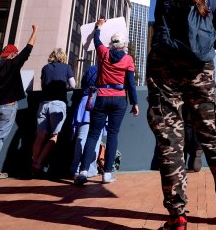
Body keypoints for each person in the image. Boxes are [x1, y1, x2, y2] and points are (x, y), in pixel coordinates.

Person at [118, 0, 216, 229]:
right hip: (201, 71)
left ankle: (177, 217)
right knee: (213, 137)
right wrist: (207, 52)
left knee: (169, 142)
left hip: (165, 71)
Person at [74, 18, 139, 185]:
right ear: (123, 45)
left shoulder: (104, 52)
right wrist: (135, 103)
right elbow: (131, 84)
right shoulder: (128, 60)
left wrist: (98, 27)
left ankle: (83, 172)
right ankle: (107, 174)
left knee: (93, 134)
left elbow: (96, 40)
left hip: (101, 96)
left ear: (111, 43)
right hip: (119, 99)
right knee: (112, 135)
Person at [0, 24, 38, 181]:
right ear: (12, 54)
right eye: (15, 53)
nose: (17, 55)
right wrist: (35, 31)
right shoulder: (12, 64)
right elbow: (28, 49)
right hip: (7, 107)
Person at [32, 48, 75, 176]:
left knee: (40, 134)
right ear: (63, 57)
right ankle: (39, 163)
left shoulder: (45, 68)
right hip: (58, 104)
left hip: (44, 103)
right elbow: (73, 85)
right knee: (54, 136)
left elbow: (42, 85)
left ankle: (34, 162)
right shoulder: (66, 67)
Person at [70, 64, 102, 179]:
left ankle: (77, 169)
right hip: (100, 101)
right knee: (96, 138)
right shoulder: (109, 68)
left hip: (86, 100)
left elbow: (83, 84)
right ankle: (90, 169)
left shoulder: (92, 68)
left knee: (83, 137)